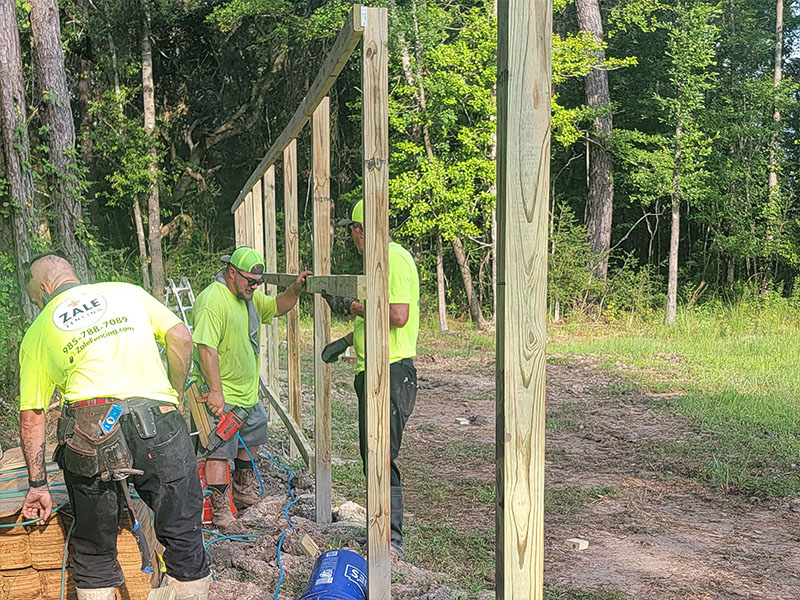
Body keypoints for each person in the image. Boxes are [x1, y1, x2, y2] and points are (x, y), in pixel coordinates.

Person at [19, 254, 210, 600]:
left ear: (44, 288)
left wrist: (38, 484)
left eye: (35, 298)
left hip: (88, 431)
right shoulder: (127, 292)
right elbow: (181, 336)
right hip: (157, 420)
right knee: (183, 532)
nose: (37, 304)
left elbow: (32, 415)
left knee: (94, 548)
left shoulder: (38, 331)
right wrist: (175, 394)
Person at [321, 200, 420, 557]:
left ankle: (391, 539)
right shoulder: (379, 263)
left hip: (391, 372)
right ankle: (379, 530)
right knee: (372, 455)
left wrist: (352, 305)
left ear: (361, 229)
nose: (352, 237)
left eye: (352, 230)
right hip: (375, 370)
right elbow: (376, 320)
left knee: (381, 456)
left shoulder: (393, 258)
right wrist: (346, 340)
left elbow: (397, 315)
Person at [192, 247, 310, 528]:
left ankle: (242, 490)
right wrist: (216, 391)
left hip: (246, 393)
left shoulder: (249, 298)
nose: (255, 287)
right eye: (250, 281)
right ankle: (221, 511)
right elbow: (206, 349)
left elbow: (278, 306)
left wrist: (295, 289)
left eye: (258, 282)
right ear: (232, 272)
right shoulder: (213, 300)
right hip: (220, 393)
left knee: (254, 433)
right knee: (218, 450)